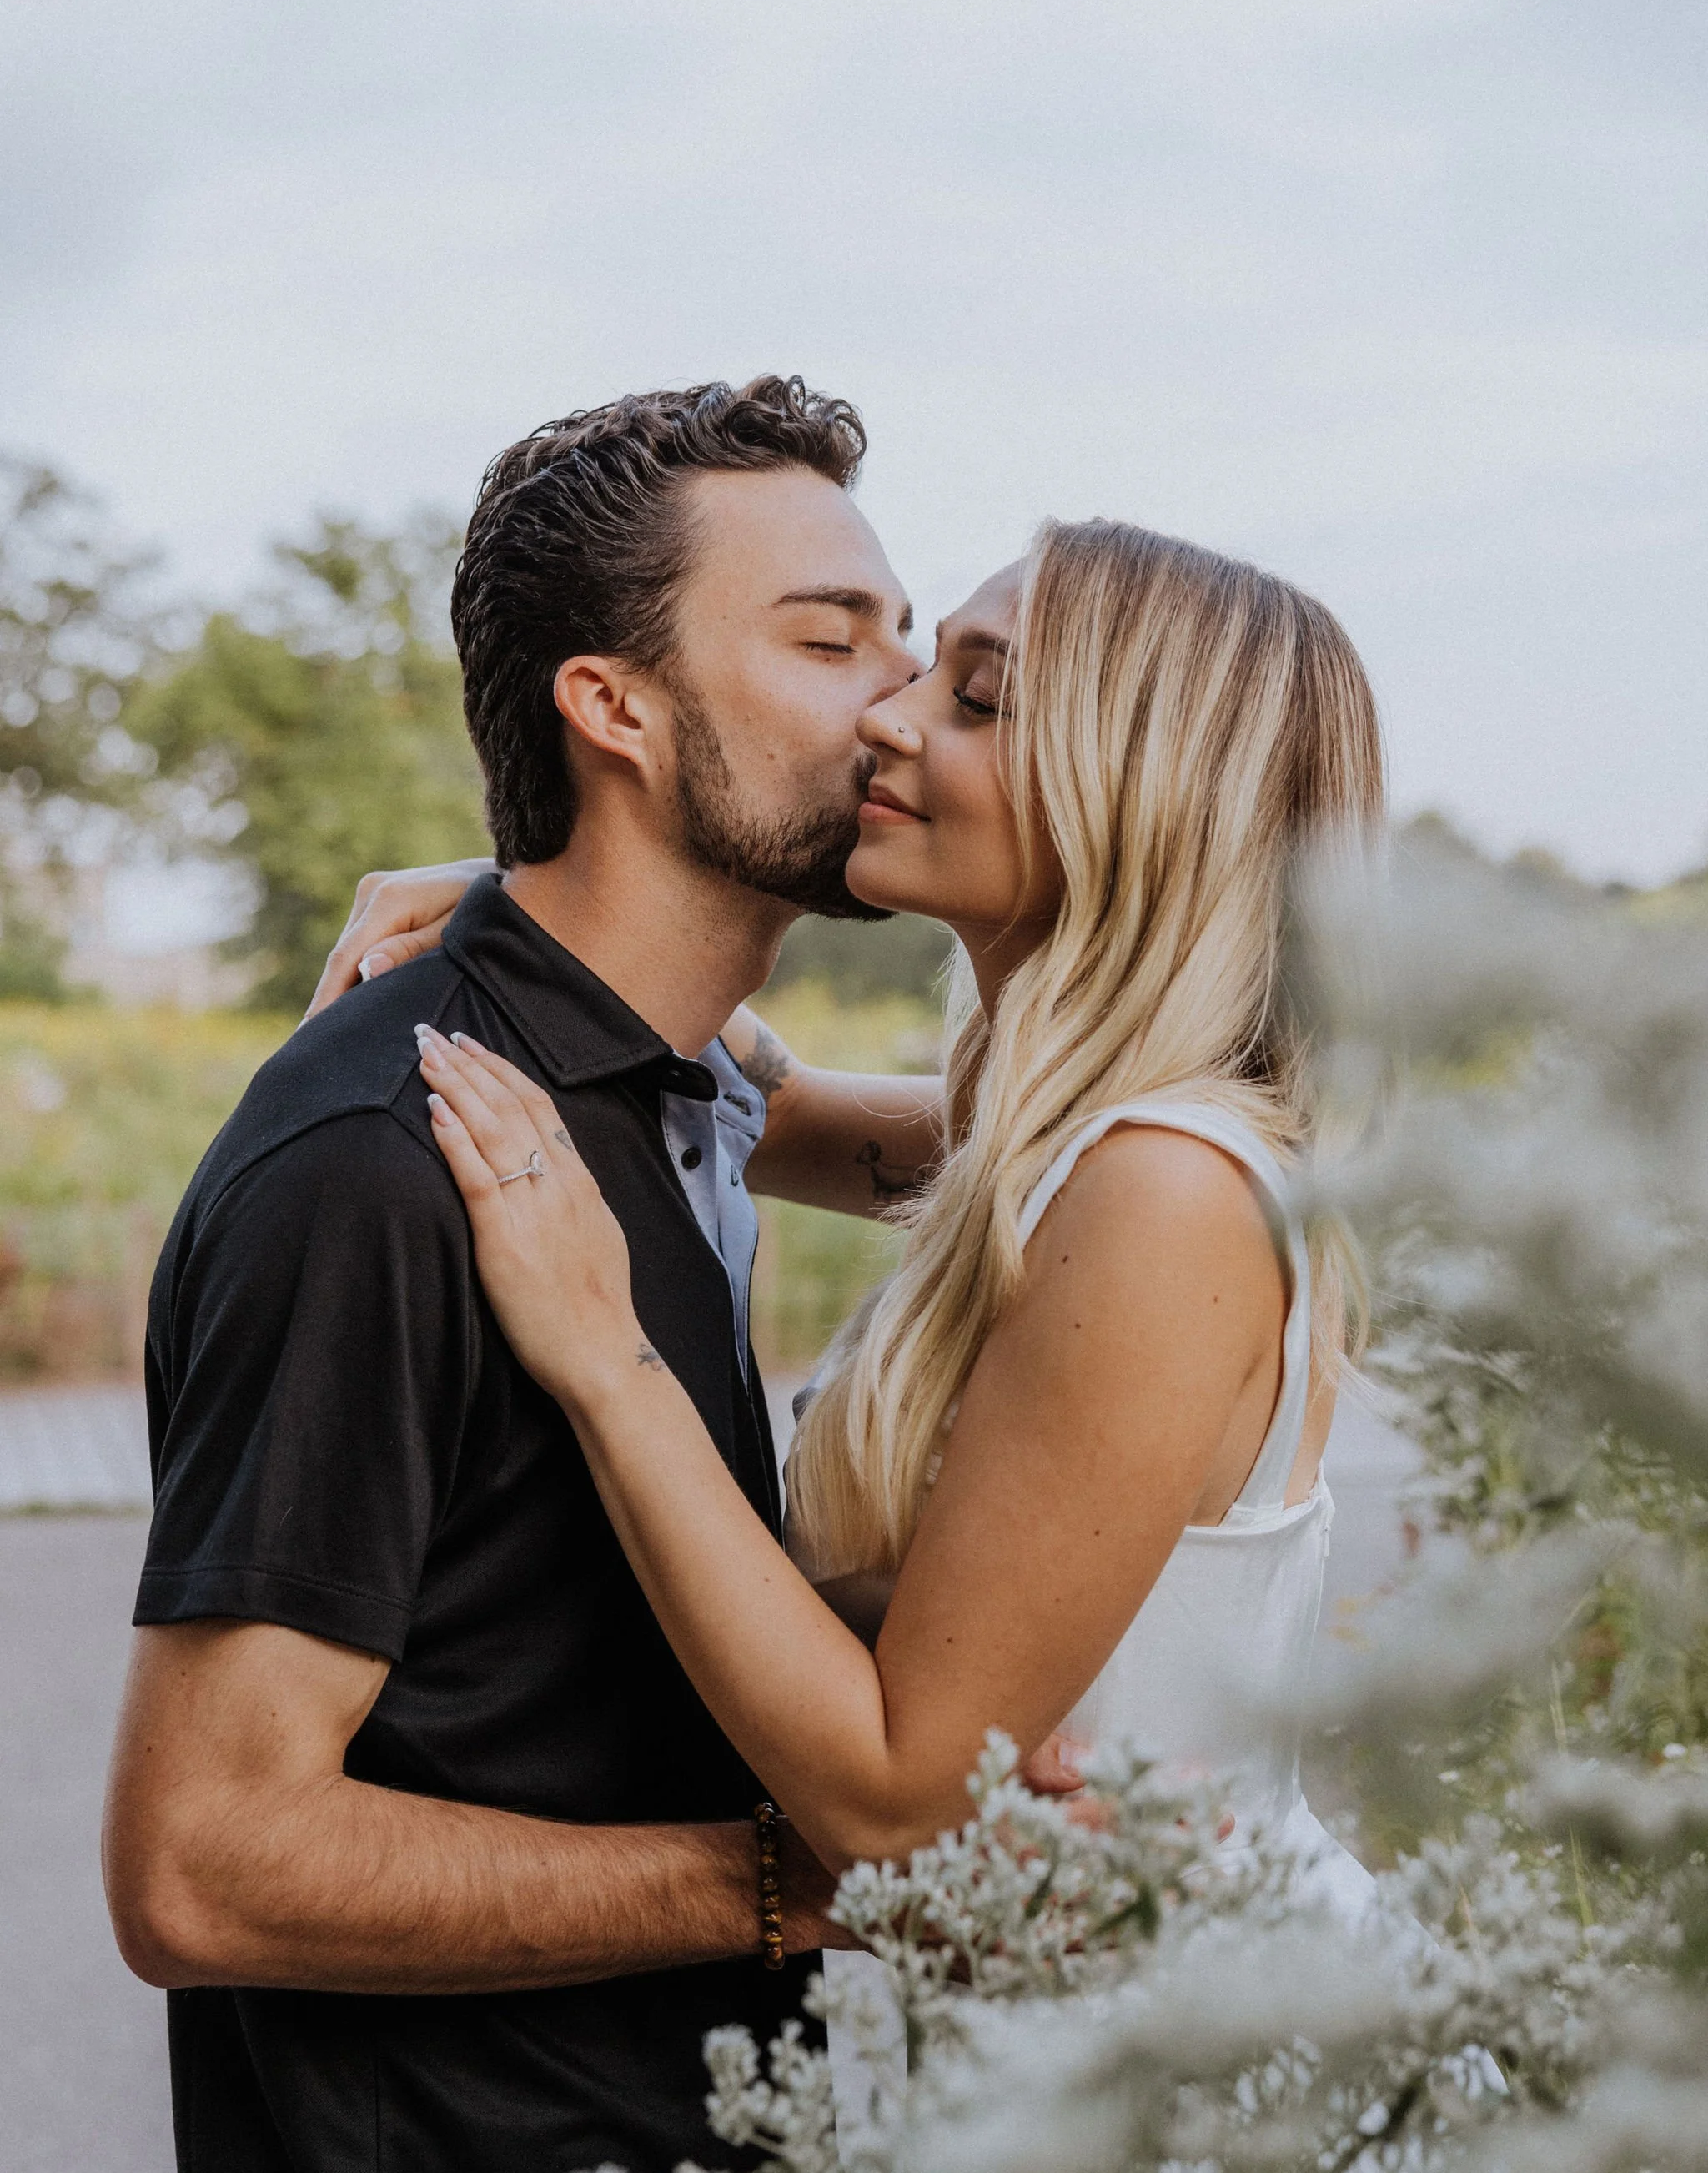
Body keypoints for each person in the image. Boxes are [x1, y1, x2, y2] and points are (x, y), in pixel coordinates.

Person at [103, 375, 1041, 2173]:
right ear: (609, 707)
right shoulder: (390, 1161)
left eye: (905, 639)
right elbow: (200, 1860)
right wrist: (779, 1883)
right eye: (825, 637)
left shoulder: (665, 1087)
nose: (893, 699)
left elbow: (1097, 1164)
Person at [399, 518, 1382, 1952]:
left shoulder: (1163, 1197)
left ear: (1147, 791)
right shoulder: (1068, 1151)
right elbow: (777, 1107)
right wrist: (525, 914)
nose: (889, 714)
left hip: (1212, 2111)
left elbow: (895, 1807)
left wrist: (606, 1360)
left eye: (977, 699)